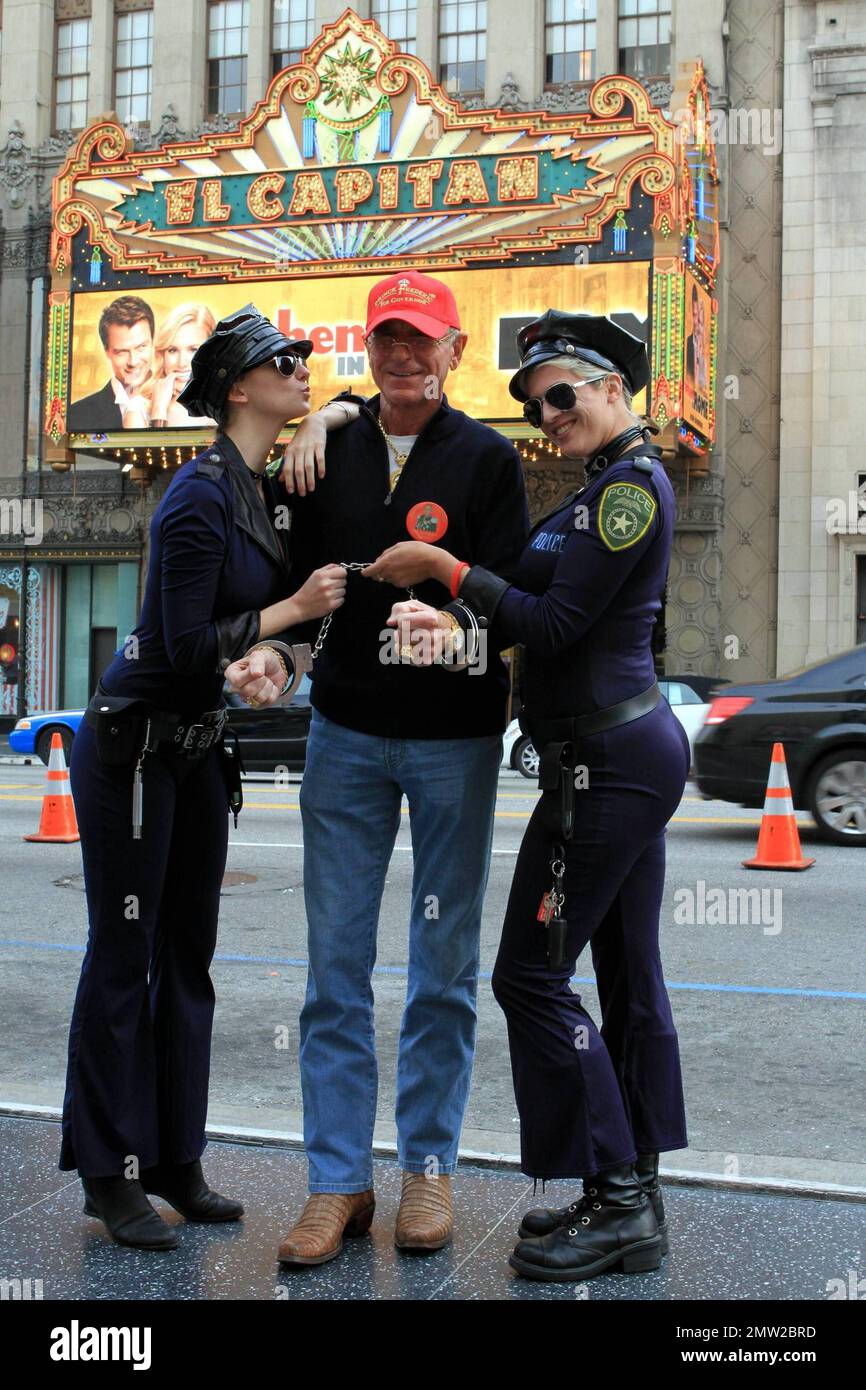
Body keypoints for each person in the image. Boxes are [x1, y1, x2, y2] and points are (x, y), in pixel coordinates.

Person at [381, 311, 691, 1282]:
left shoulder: (624, 494)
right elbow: (531, 609)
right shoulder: (595, 493)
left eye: (561, 393)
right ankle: (625, 1192)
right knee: (625, 977)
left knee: (527, 976)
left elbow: (553, 624)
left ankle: (617, 1201)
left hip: (604, 761)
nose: (546, 413)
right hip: (609, 752)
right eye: (532, 401)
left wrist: (444, 570)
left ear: (612, 389)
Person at [242, 269, 529, 1265]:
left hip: (453, 742)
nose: (405, 357)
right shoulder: (324, 455)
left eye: (423, 341)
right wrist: (273, 658)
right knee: (333, 970)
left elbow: (508, 601)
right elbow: (291, 595)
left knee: (442, 971)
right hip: (346, 738)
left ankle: (429, 1169)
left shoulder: (488, 460)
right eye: (387, 341)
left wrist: (448, 617)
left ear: (454, 349)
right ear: (366, 350)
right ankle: (334, 1184)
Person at [60, 305, 346, 1250]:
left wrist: (282, 657)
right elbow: (182, 645)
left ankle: (175, 1159)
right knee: (124, 962)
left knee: (188, 964)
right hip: (135, 747)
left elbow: (281, 634)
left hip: (196, 754)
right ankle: (108, 1174)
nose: (301, 367)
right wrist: (287, 613)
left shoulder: (260, 491)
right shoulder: (197, 493)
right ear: (236, 387)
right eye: (283, 361)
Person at [123, 302, 217, 429]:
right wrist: (158, 411)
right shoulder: (138, 410)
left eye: (193, 350)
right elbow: (153, 450)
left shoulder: (228, 409)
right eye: (172, 350)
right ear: (162, 355)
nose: (182, 363)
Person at [68, 295, 154, 432]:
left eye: (141, 347)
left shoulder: (181, 404)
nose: (133, 361)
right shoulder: (77, 415)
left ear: (153, 342)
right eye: (122, 352)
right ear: (106, 351)